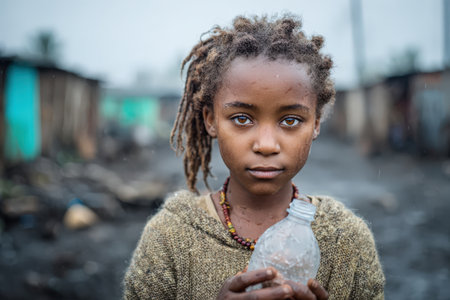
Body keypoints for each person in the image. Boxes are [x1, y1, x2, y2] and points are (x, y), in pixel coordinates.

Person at [123, 14, 385, 299]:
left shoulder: (346, 240)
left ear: (316, 124)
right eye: (242, 118)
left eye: (290, 121)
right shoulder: (169, 237)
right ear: (211, 120)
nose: (266, 145)